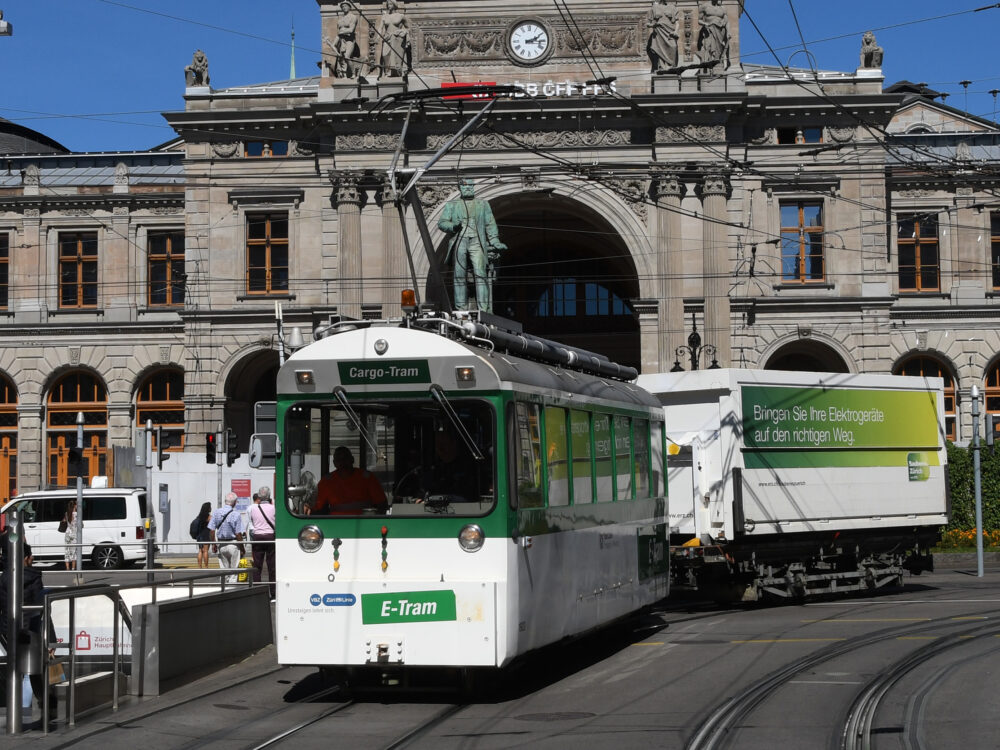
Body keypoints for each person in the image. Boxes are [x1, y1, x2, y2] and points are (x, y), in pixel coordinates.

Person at [0, 544, 58, 723]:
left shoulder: (3, 578)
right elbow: (42, 607)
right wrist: (51, 639)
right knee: (31, 673)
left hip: (7, 630)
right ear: (25, 558)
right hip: (31, 629)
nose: (32, 558)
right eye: (31, 555)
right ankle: (32, 711)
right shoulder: (34, 577)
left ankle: (18, 712)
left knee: (15, 670)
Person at [437, 178, 508, 312]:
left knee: (480, 273)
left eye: (470, 186)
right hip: (460, 241)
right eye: (464, 186)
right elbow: (442, 223)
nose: (468, 188)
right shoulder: (451, 205)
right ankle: (460, 308)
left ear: (473, 187)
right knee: (459, 275)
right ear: (460, 189)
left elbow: (490, 223)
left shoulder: (483, 204)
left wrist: (495, 241)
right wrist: (453, 226)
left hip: (477, 240)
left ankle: (484, 308)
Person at [312, 446, 387, 515]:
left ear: (352, 459)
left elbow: (382, 504)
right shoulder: (326, 481)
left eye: (345, 459)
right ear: (334, 463)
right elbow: (314, 506)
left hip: (363, 524)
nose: (342, 463)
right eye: (339, 460)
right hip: (335, 524)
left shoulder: (367, 478)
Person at [424, 430, 478, 501]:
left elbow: (469, 496)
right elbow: (427, 490)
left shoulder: (469, 467)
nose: (440, 449)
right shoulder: (434, 468)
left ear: (454, 444)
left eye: (444, 444)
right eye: (437, 445)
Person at [208, 493, 245, 583]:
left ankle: (223, 589)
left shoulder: (216, 512)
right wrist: (242, 547)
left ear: (225, 501)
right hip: (233, 544)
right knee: (234, 571)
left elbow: (212, 530)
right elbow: (238, 534)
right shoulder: (236, 514)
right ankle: (232, 589)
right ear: (235, 503)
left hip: (221, 544)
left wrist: (214, 544)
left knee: (224, 570)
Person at [249, 486, 276, 599]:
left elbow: (252, 523)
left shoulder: (253, 509)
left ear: (259, 496)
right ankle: (273, 593)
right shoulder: (274, 508)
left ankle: (258, 593)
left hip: (258, 537)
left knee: (257, 566)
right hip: (270, 537)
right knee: (272, 566)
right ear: (269, 496)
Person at [325, 1, 360, 79]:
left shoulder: (353, 17)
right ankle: (344, 75)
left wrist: (342, 31)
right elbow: (338, 34)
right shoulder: (340, 21)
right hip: (342, 40)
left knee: (347, 56)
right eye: (342, 6)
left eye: (345, 6)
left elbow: (351, 30)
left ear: (349, 7)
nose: (344, 8)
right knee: (342, 59)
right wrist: (333, 44)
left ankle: (354, 73)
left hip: (350, 40)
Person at [377, 0, 411, 78]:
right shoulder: (385, 16)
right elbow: (380, 28)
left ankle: (395, 72)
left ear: (395, 5)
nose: (389, 5)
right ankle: (387, 72)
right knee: (385, 54)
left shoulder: (401, 16)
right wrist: (377, 37)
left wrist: (402, 31)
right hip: (387, 38)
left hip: (397, 38)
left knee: (396, 56)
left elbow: (408, 28)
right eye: (388, 4)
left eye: (390, 4)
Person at [646, 0, 679, 74]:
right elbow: (648, 23)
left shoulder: (672, 7)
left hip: (670, 32)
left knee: (673, 47)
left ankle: (671, 67)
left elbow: (677, 23)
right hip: (659, 33)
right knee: (660, 50)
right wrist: (654, 25)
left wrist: (676, 31)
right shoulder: (654, 8)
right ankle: (663, 68)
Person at [697, 0, 729, 71]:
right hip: (709, 30)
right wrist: (705, 24)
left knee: (719, 47)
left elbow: (726, 21)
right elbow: (699, 20)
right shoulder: (704, 6)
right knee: (709, 46)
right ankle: (709, 62)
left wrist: (728, 32)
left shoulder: (722, 8)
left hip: (720, 31)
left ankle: (717, 62)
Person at [194, 501, 212, 569]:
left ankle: (199, 566)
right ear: (208, 508)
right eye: (210, 507)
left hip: (199, 535)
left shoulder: (199, 516)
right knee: (206, 551)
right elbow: (212, 527)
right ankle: (206, 566)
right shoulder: (209, 517)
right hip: (206, 534)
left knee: (200, 550)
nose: (211, 508)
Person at [62, 499, 77, 571]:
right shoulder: (77, 514)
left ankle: (67, 568)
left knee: (67, 551)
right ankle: (73, 568)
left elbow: (64, 521)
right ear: (74, 505)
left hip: (67, 534)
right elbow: (81, 525)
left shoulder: (66, 513)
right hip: (74, 534)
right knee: (74, 551)